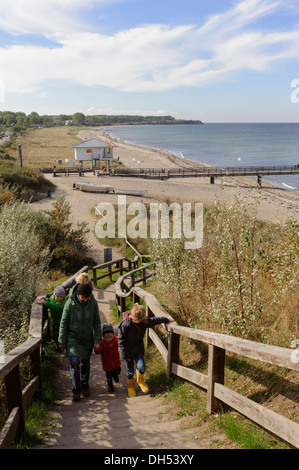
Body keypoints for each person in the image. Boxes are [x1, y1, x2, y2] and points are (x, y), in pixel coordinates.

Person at [118, 303, 173, 397]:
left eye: (141, 320)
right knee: (130, 371)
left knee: (141, 367)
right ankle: (131, 386)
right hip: (128, 352)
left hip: (138, 349)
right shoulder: (125, 324)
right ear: (132, 316)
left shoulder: (143, 322)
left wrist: (166, 319)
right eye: (137, 321)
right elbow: (121, 340)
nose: (139, 322)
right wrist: (125, 355)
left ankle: (140, 381)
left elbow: (154, 320)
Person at [58, 283, 101, 401]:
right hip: (73, 338)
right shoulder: (69, 303)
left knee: (85, 364)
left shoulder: (93, 303)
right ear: (78, 294)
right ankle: (76, 390)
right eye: (84, 298)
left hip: (87, 339)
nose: (86, 299)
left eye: (88, 297)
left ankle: (85, 385)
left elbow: (97, 322)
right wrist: (61, 342)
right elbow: (64, 323)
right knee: (74, 362)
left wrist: (97, 339)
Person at [36, 286, 67, 350]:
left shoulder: (64, 302)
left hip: (63, 321)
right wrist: (46, 300)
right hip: (55, 321)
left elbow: (57, 306)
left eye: (61, 296)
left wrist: (46, 303)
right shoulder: (52, 298)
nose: (60, 298)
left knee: (62, 334)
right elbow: (50, 300)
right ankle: (58, 347)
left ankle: (63, 346)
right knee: (56, 335)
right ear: (55, 295)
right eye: (58, 296)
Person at [94, 323, 121, 393]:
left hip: (116, 362)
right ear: (103, 336)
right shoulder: (102, 343)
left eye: (110, 337)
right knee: (108, 376)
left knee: (118, 371)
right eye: (106, 337)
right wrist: (97, 348)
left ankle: (115, 375)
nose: (108, 339)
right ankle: (110, 386)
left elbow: (121, 345)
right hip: (107, 363)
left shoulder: (115, 340)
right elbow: (97, 351)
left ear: (113, 335)